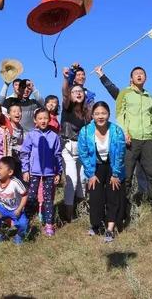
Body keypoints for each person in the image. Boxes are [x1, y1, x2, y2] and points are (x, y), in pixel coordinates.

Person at [94, 66, 152, 214]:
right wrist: (124, 133)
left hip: (147, 138)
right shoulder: (125, 93)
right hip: (130, 139)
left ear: (145, 78)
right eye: (136, 74)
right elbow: (120, 114)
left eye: (142, 74)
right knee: (126, 174)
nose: (139, 76)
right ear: (131, 78)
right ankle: (124, 204)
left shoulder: (149, 97)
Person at [78, 101, 126, 243]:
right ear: (92, 115)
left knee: (113, 195)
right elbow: (83, 153)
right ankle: (96, 225)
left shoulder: (117, 131)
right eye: (97, 113)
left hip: (113, 166)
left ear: (109, 115)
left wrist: (115, 174)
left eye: (103, 113)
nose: (100, 116)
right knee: (95, 197)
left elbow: (120, 154)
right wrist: (90, 174)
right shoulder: (85, 131)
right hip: (95, 167)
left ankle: (110, 229)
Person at [20, 108, 63, 236]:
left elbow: (58, 155)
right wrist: (25, 170)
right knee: (31, 197)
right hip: (34, 172)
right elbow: (24, 153)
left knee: (48, 198)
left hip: (50, 173)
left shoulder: (54, 136)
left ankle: (49, 224)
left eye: (45, 118)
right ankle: (25, 221)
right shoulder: (31, 135)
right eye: (40, 118)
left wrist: (58, 172)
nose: (43, 121)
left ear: (49, 119)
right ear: (35, 120)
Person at [59, 82, 93, 223]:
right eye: (75, 92)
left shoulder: (87, 112)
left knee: (83, 181)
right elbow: (65, 93)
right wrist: (68, 78)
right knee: (71, 180)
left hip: (83, 148)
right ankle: (68, 215)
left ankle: (81, 210)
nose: (78, 93)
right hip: (68, 147)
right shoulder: (67, 109)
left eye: (80, 91)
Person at [0, 156, 28, 244]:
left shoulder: (15, 183)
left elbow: (25, 195)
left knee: (23, 224)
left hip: (15, 209)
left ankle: (18, 237)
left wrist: (19, 209)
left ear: (10, 172)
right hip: (2, 208)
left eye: (1, 168)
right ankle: (0, 234)